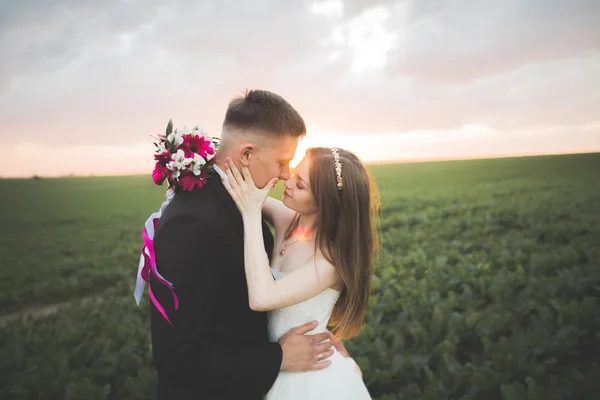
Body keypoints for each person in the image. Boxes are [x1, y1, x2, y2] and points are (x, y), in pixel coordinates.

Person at [150, 90, 351, 399]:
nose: (285, 175)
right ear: (245, 155)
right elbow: (178, 361)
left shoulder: (245, 200)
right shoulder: (190, 224)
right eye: (283, 162)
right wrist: (279, 357)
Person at [221, 145, 378, 399]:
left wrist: (250, 215)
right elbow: (244, 191)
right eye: (295, 172)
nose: (288, 181)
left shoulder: (330, 262)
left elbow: (261, 297)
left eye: (301, 184)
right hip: (274, 361)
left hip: (307, 377)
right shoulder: (288, 220)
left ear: (325, 203)